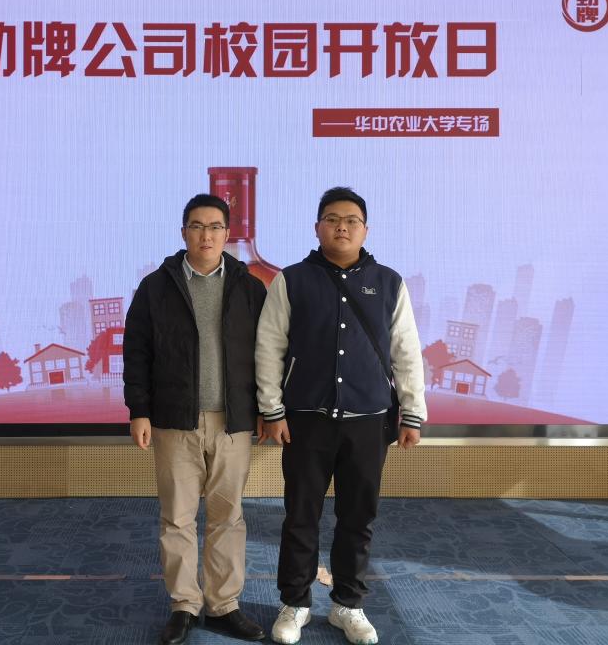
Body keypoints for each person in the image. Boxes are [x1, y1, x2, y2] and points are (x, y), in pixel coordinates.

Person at [255, 186, 427, 645]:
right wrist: (272, 409)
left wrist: (412, 413)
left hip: (369, 420)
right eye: (332, 219)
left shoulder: (389, 282)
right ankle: (295, 603)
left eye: (351, 220)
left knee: (357, 517)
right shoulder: (292, 280)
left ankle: (348, 604)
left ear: (365, 229)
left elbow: (406, 350)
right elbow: (269, 347)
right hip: (305, 419)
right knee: (300, 515)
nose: (342, 227)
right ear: (317, 228)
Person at [123, 193, 268, 645]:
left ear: (228, 233)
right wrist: (139, 410)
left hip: (233, 422)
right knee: (177, 518)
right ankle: (184, 604)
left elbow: (269, 354)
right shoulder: (156, 287)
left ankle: (223, 605)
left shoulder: (250, 287)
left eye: (215, 226)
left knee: (228, 516)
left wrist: (267, 410)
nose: (206, 235)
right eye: (197, 226)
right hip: (174, 421)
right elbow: (137, 352)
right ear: (183, 232)